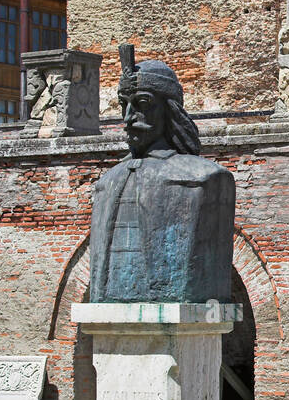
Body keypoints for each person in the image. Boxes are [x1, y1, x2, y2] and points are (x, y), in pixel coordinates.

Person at [89, 44, 235, 304]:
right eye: (124, 105)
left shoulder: (202, 178)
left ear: (169, 110)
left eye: (142, 104)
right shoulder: (106, 183)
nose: (129, 117)